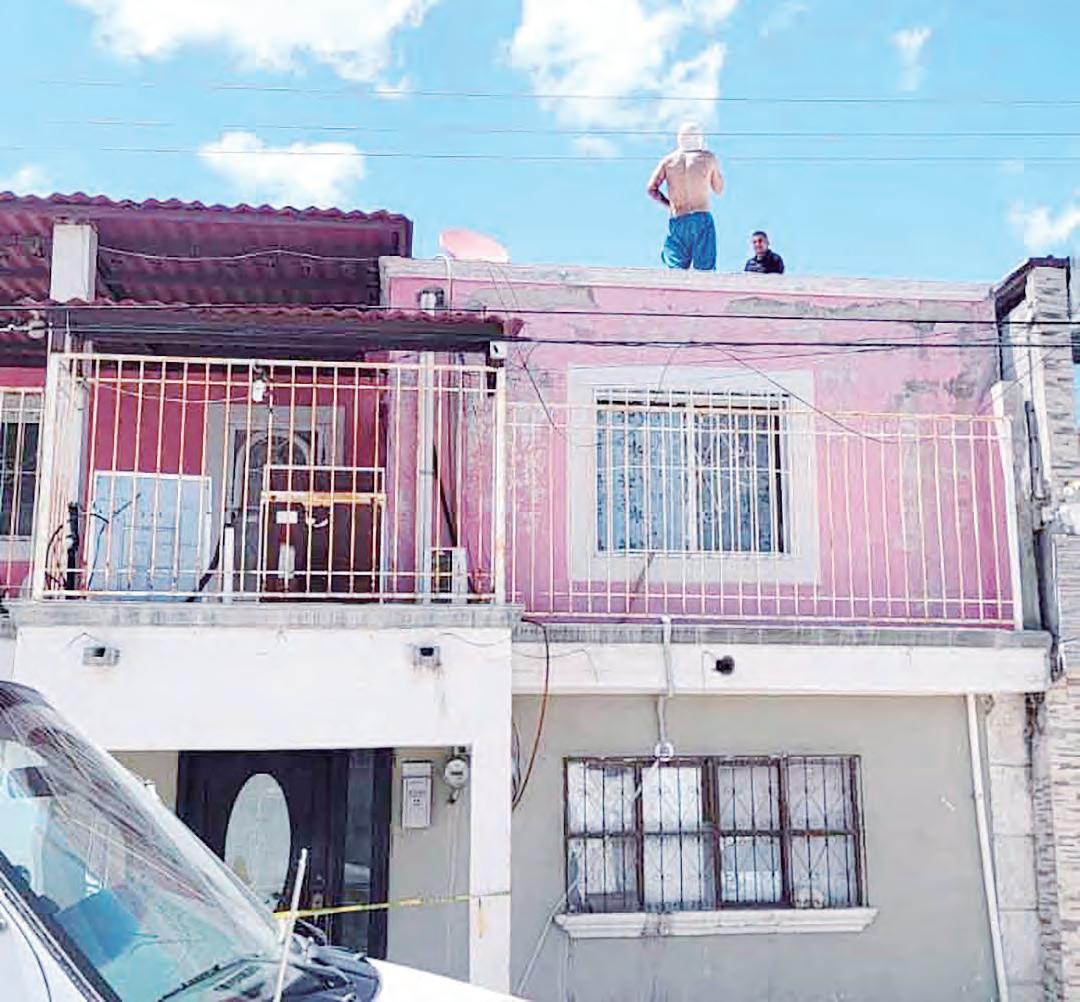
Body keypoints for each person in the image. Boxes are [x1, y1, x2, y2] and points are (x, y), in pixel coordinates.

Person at [647, 122, 724, 271]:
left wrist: (669, 204)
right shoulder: (708, 158)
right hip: (701, 218)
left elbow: (651, 189)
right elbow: (719, 189)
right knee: (705, 270)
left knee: (676, 270)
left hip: (678, 219)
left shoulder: (668, 161)